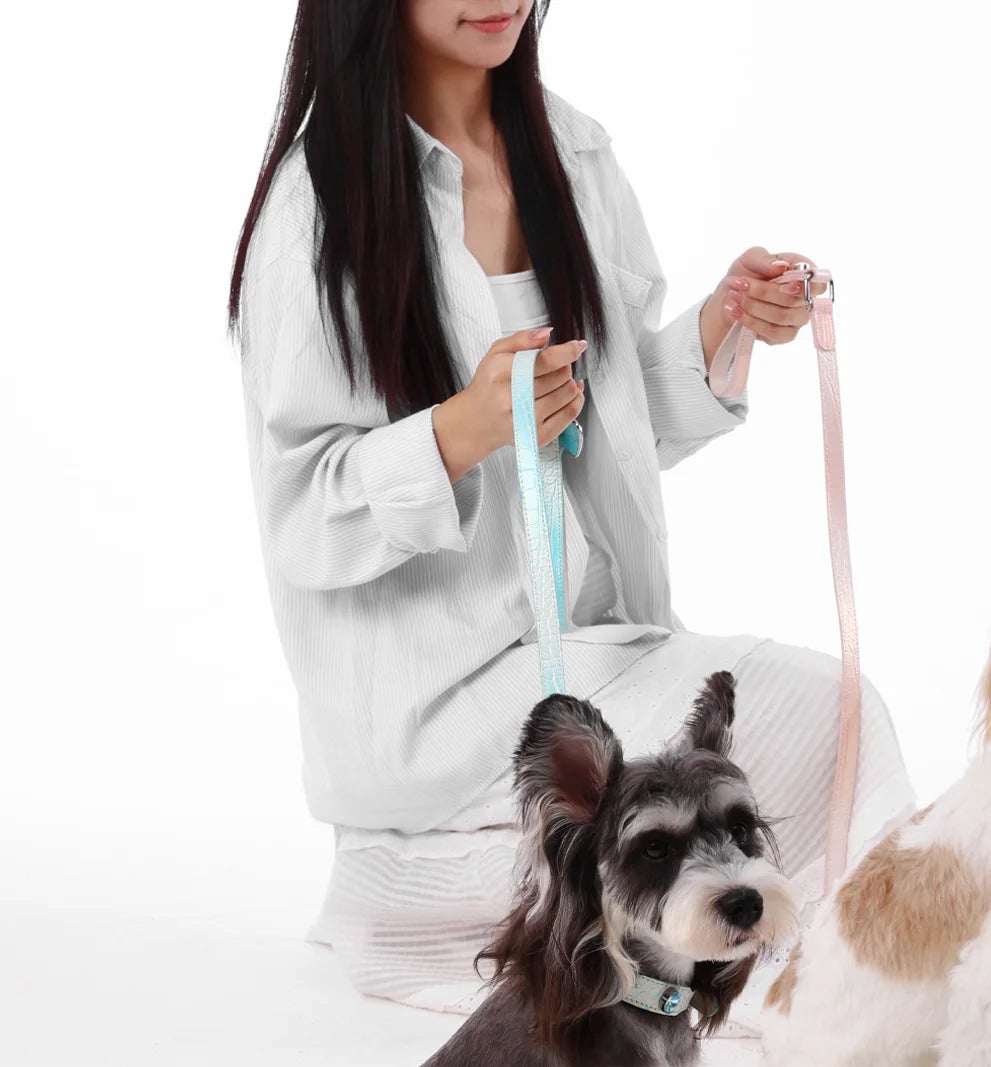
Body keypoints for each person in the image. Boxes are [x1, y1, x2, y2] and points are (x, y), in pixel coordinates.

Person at [233, 0, 915, 1014]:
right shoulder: (316, 209)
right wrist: (464, 429)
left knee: (833, 710)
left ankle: (868, 979)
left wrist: (725, 323)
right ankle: (856, 995)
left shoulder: (571, 155)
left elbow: (615, 428)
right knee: (790, 719)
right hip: (439, 703)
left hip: (598, 646)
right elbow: (302, 516)